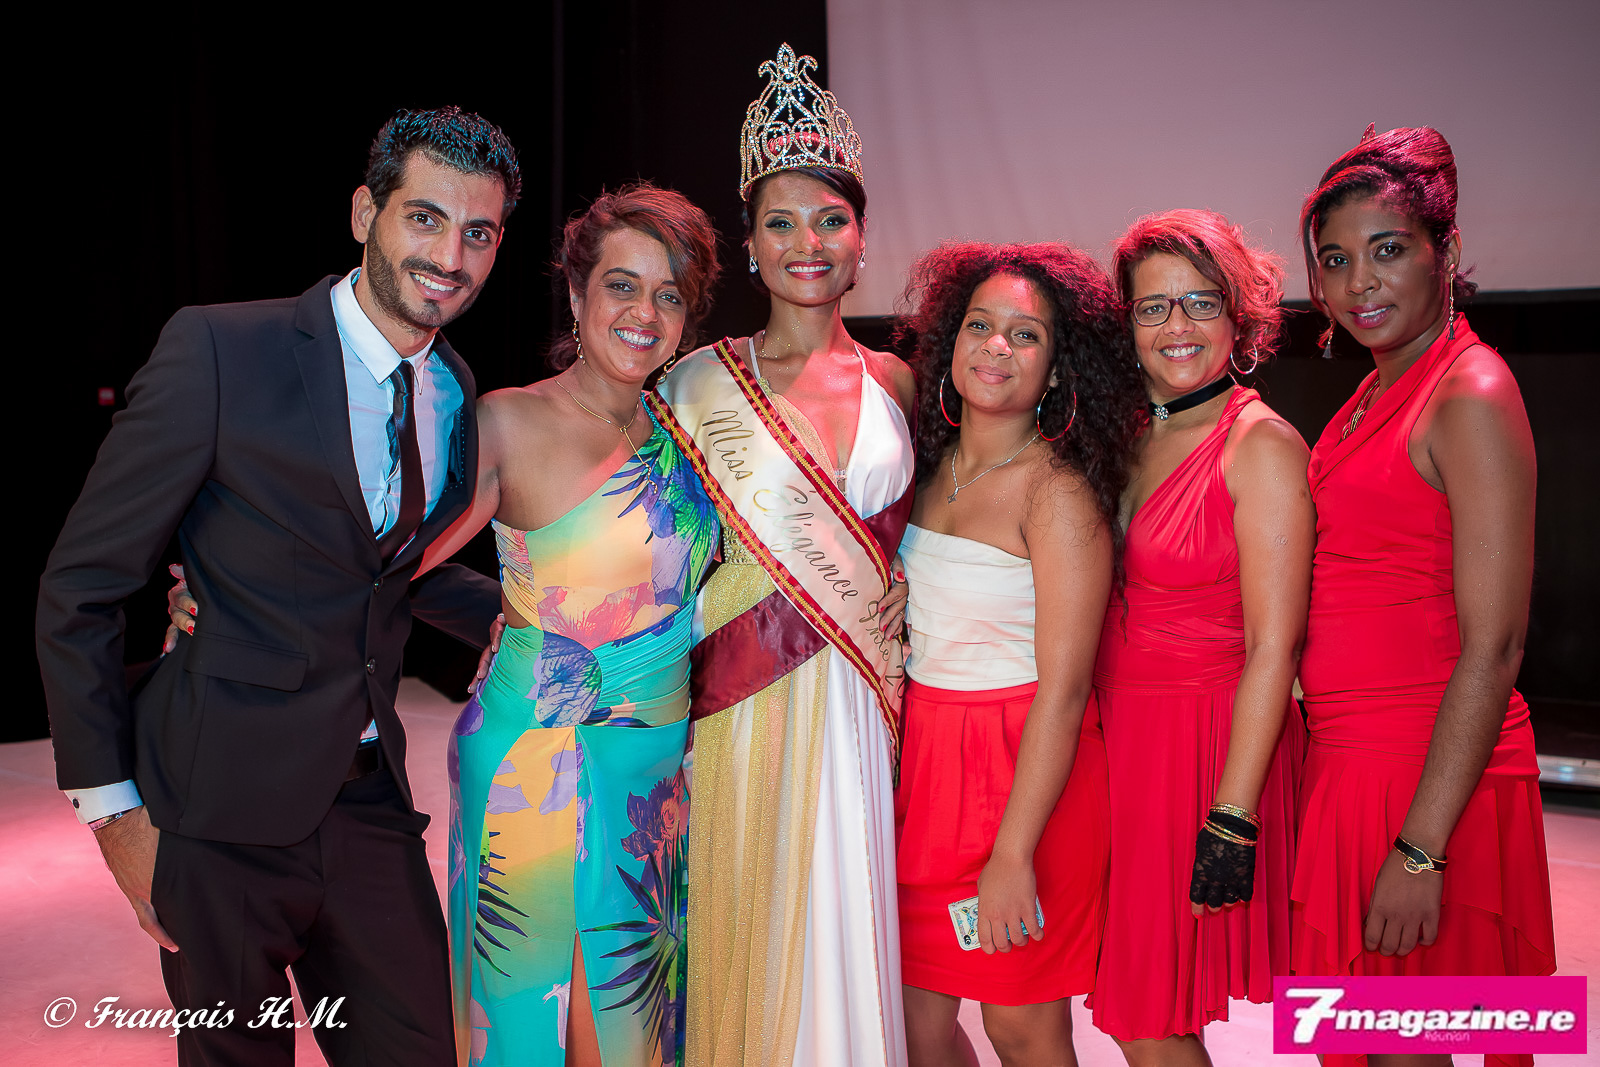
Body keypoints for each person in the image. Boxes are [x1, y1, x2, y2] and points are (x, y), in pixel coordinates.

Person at [36, 107, 518, 1065]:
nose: (450, 256)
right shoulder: (221, 349)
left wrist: (543, 621)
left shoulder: (455, 388)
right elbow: (80, 589)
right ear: (364, 212)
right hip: (217, 809)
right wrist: (113, 816)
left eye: (479, 233)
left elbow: (390, 570)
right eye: (425, 218)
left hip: (370, 802)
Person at [646, 43, 916, 1067]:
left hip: (860, 697)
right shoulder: (694, 384)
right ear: (751, 245)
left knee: (855, 916)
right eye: (781, 222)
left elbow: (920, 534)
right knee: (749, 934)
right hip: (742, 698)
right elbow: (645, 551)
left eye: (831, 219)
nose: (809, 242)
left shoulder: (899, 381)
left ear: (861, 237)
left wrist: (909, 587)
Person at [413, 184, 722, 1067]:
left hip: (653, 771)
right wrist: (225, 590)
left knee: (631, 1028)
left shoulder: (683, 430)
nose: (644, 313)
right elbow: (389, 561)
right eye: (622, 286)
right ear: (579, 294)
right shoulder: (509, 421)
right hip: (537, 764)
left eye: (669, 295)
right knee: (539, 1020)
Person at [1292, 126, 1555, 1067]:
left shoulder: (1469, 392)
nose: (1360, 281)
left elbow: (1497, 644)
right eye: (1335, 259)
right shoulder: (1375, 392)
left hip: (1429, 780)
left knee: (1411, 1049)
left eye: (1388, 249)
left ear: (1447, 250)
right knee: (1361, 1046)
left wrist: (1421, 848)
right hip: (1351, 768)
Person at [891, 242, 1143, 1067]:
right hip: (928, 770)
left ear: (1056, 368)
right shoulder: (929, 469)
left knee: (1020, 1028)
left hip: (1023, 779)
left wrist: (1013, 852)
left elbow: (1066, 690)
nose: (996, 345)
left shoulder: (1055, 490)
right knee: (917, 1028)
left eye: (1025, 334)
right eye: (980, 325)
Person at [1092, 209, 1312, 1065]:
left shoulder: (1260, 445)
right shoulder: (1129, 431)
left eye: (1199, 302)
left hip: (1204, 747)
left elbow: (1274, 648)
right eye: (1153, 306)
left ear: (1238, 313)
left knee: (1143, 1010)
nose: (1175, 325)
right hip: (1122, 742)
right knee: (1134, 1003)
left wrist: (1233, 815)